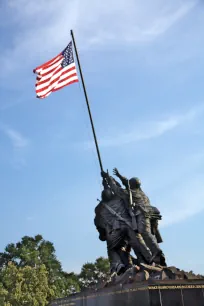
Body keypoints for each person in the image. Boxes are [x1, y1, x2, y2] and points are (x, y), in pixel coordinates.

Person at [97, 171, 153, 266]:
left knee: (114, 248)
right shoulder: (120, 198)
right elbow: (116, 187)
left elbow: (99, 224)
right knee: (138, 244)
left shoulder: (101, 209)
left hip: (117, 231)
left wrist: (106, 181)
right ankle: (150, 259)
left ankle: (121, 266)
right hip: (130, 225)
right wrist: (108, 178)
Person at [113, 168, 166, 266]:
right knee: (150, 233)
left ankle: (157, 252)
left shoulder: (130, 193)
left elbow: (117, 190)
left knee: (144, 232)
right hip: (152, 213)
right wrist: (120, 176)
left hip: (143, 213)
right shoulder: (140, 191)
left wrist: (109, 180)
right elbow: (127, 183)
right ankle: (156, 252)